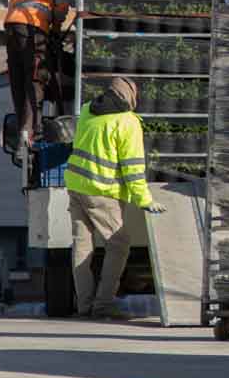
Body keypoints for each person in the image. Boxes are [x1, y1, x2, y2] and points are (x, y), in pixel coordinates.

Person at [64, 76, 166, 319]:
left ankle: (85, 305)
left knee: (81, 246)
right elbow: (132, 167)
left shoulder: (88, 110)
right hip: (102, 192)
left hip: (76, 186)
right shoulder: (127, 122)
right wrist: (145, 200)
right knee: (118, 245)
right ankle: (103, 305)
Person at [3, 0, 76, 166]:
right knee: (36, 78)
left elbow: (15, 4)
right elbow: (61, 8)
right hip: (34, 28)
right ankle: (30, 136)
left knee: (19, 80)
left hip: (11, 27)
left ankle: (21, 137)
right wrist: (55, 31)